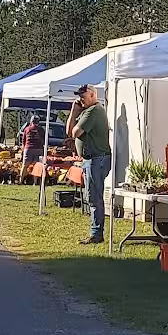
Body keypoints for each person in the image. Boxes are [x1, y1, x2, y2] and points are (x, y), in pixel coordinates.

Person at [67, 84, 111, 244]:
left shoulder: (94, 111)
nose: (80, 99)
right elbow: (69, 131)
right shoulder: (86, 111)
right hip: (91, 159)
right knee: (92, 196)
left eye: (83, 96)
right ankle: (95, 232)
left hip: (96, 159)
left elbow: (75, 132)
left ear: (93, 95)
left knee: (94, 197)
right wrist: (74, 111)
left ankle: (96, 234)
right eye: (79, 96)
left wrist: (76, 118)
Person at [19, 115, 45, 183]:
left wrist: (24, 148)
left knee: (25, 165)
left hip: (28, 148)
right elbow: (44, 140)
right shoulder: (41, 129)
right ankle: (35, 182)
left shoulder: (27, 129)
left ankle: (20, 180)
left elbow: (23, 140)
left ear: (31, 121)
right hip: (38, 148)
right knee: (36, 165)